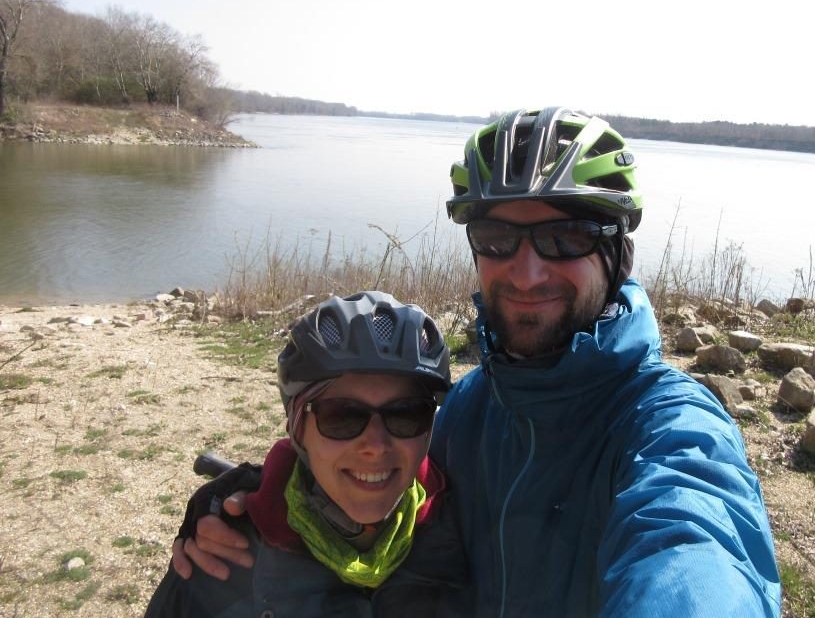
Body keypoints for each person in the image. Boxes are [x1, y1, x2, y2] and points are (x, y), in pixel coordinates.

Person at [174, 108, 782, 617]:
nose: (527, 272)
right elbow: (384, 489)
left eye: (566, 238)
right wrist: (260, 501)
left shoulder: (668, 424)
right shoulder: (470, 407)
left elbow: (694, 546)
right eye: (497, 238)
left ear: (617, 254)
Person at [146, 290, 462, 617]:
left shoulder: (467, 531)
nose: (376, 446)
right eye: (342, 416)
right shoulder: (221, 560)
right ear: (298, 430)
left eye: (407, 414)